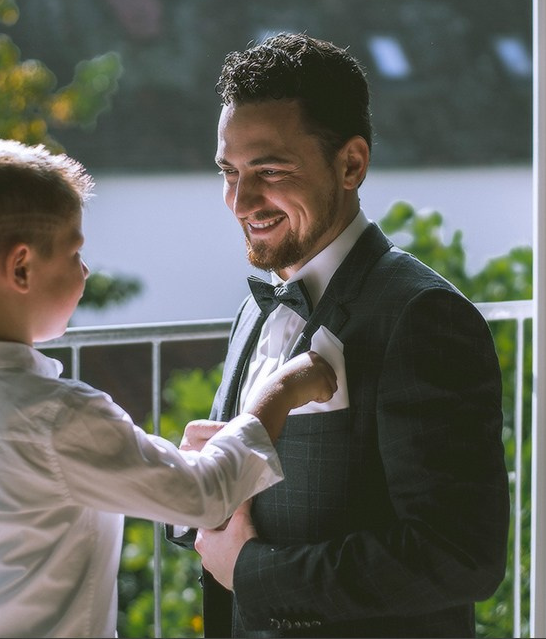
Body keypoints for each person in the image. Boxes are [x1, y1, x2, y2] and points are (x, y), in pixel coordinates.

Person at [0, 137, 336, 638]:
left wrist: (181, 455)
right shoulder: (60, 418)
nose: (85, 271)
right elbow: (205, 496)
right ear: (22, 267)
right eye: (74, 252)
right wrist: (281, 390)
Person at [172, 33, 510, 638]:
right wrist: (200, 483)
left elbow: (459, 556)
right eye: (229, 172)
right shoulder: (256, 307)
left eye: (269, 171)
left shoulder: (425, 317)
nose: (241, 201)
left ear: (351, 164)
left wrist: (253, 572)